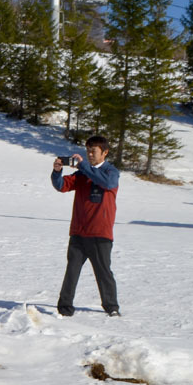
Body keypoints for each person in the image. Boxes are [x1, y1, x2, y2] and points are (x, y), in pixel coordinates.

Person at [51, 135, 120, 317]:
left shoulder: (110, 172)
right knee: (71, 271)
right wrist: (57, 172)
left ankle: (111, 307)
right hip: (79, 233)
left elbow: (107, 183)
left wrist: (84, 166)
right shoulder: (82, 173)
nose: (89, 154)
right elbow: (62, 186)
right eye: (88, 150)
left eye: (93, 151)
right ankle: (64, 308)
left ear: (104, 153)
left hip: (100, 233)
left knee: (103, 272)